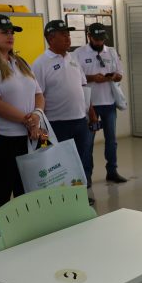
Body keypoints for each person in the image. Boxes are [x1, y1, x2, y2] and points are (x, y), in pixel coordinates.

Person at [0, 14, 45, 213]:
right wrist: (27, 120)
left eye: (12, 32)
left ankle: (27, 229)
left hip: (29, 137)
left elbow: (39, 94)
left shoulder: (20, 62)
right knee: (2, 191)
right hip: (2, 140)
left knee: (27, 189)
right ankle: (4, 231)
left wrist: (37, 114)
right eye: (4, 32)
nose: (10, 36)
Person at [32, 20, 95, 199]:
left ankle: (79, 196)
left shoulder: (73, 58)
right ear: (51, 38)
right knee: (60, 164)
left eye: (68, 34)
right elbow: (37, 95)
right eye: (64, 35)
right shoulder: (40, 63)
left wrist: (91, 112)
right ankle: (63, 199)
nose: (68, 38)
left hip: (80, 120)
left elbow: (83, 86)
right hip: (55, 124)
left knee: (81, 160)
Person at [74, 22, 127, 184]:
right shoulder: (78, 53)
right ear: (89, 36)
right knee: (88, 143)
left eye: (102, 39)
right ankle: (87, 176)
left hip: (109, 103)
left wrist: (114, 76)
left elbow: (120, 74)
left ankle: (112, 171)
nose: (100, 42)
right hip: (89, 106)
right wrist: (92, 78)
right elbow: (75, 77)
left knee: (111, 140)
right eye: (96, 39)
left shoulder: (111, 52)